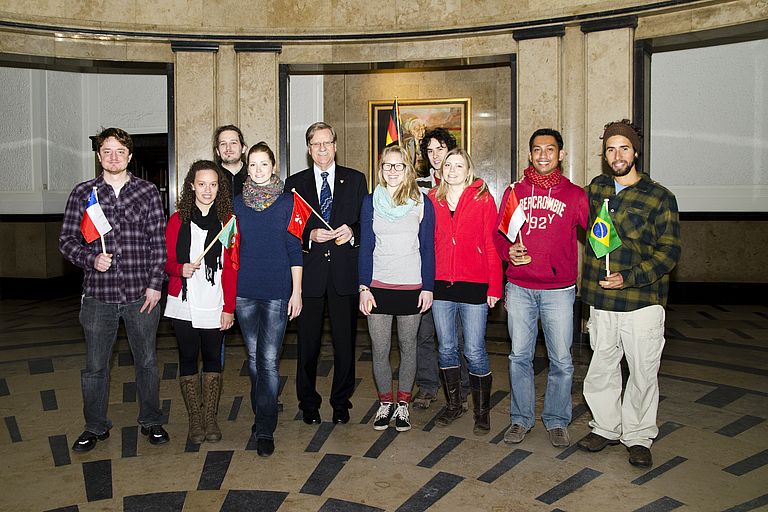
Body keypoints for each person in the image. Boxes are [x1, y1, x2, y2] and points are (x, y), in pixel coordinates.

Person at [577, 120, 681, 468]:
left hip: (642, 302)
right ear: (604, 155)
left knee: (642, 371)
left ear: (635, 151)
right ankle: (605, 427)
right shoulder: (596, 190)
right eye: (610, 149)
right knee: (602, 365)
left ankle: (637, 436)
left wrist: (631, 277)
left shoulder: (660, 197)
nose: (617, 155)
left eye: (624, 148)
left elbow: (669, 253)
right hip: (602, 299)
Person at [59, 127, 169, 452]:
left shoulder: (147, 192)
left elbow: (159, 245)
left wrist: (154, 286)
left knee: (146, 361)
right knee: (95, 366)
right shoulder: (84, 194)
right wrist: (91, 258)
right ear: (98, 156)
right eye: (107, 151)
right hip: (98, 296)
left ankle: (151, 420)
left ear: (130, 156)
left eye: (120, 151)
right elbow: (66, 241)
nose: (113, 157)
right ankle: (95, 425)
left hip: (140, 295)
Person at [493, 129, 588, 448]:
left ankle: (557, 420)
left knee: (561, 360)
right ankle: (520, 419)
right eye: (537, 149)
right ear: (530, 154)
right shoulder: (515, 191)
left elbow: (599, 235)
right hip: (519, 288)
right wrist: (509, 253)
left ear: (561, 154)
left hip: (559, 291)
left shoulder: (575, 195)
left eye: (550, 149)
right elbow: (499, 236)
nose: (543, 154)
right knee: (519, 357)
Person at [284, 122, 367, 425]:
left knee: (345, 345)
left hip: (345, 273)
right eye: (315, 144)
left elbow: (365, 224)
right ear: (308, 149)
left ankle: (341, 402)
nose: (321, 148)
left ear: (335, 145)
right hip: (310, 276)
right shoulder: (295, 184)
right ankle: (308, 403)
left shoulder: (356, 180)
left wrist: (352, 232)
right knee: (308, 345)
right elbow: (291, 228)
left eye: (326, 143)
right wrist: (310, 236)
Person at [359, 145, 435, 432]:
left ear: (408, 169)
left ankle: (403, 404)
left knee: (408, 348)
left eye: (399, 166)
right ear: (380, 169)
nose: (392, 171)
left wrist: (427, 287)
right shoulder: (370, 202)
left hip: (411, 287)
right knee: (380, 350)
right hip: (377, 286)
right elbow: (366, 246)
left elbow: (428, 249)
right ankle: (385, 403)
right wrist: (363, 287)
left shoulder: (421, 202)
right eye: (387, 165)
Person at [236, 142, 303, 457]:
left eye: (264, 164)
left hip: (278, 290)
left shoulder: (289, 203)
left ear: (274, 167)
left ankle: (265, 427)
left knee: (268, 360)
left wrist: (297, 292)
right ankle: (262, 409)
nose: (258, 169)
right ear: (246, 168)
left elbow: (294, 249)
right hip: (244, 292)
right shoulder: (236, 204)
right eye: (253, 164)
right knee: (252, 360)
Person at [428, 148, 502, 435]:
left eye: (459, 165)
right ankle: (454, 404)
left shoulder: (483, 198)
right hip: (441, 285)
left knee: (474, 349)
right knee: (446, 348)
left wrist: (495, 286)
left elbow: (492, 244)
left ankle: (482, 412)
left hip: (474, 285)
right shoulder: (432, 199)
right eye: (448, 165)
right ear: (442, 170)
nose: (453, 169)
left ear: (468, 169)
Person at [164, 160, 237, 444]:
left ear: (219, 188)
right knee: (187, 358)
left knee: (212, 360)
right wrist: (178, 268)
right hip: (182, 300)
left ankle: (211, 418)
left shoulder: (227, 222)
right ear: (191, 186)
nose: (207, 190)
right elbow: (166, 261)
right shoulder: (177, 220)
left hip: (214, 300)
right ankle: (195, 419)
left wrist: (228, 307)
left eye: (213, 184)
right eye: (202, 184)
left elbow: (232, 267)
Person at [412, 128, 469, 411]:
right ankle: (427, 386)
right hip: (425, 271)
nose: (435, 156)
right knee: (424, 333)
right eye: (430, 151)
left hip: (455, 271)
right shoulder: (418, 185)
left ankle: (460, 388)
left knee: (457, 335)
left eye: (440, 149)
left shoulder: (466, 183)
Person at [214, 124, 248, 197]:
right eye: (223, 144)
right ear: (217, 151)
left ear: (243, 148)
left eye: (233, 143)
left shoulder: (254, 175)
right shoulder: (210, 176)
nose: (228, 148)